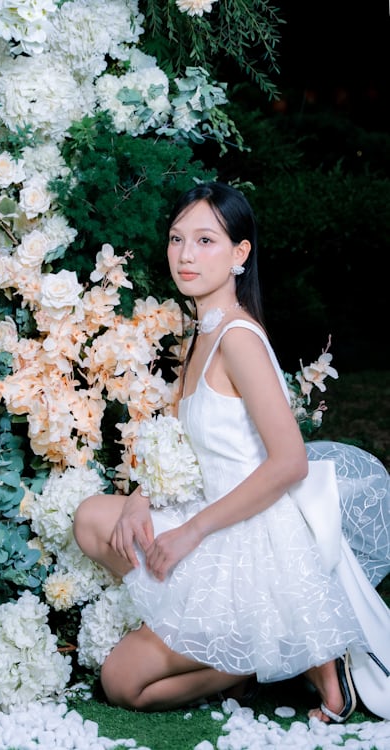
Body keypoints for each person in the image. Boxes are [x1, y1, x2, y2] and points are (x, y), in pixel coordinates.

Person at [73, 182, 390, 722]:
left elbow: (290, 462)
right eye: (177, 239)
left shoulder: (238, 338)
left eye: (205, 241)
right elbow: (185, 443)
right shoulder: (203, 332)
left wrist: (192, 531)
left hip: (248, 534)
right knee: (92, 518)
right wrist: (141, 498)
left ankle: (273, 651)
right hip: (208, 509)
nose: (186, 255)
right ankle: (237, 649)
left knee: (121, 682)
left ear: (240, 253)